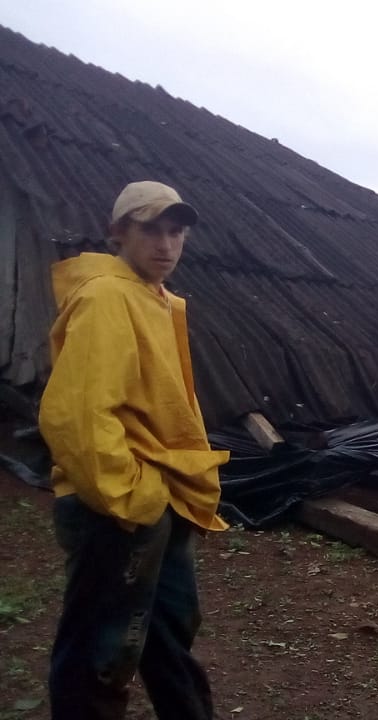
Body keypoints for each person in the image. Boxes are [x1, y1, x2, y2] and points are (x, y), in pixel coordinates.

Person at [39, 181, 229, 720]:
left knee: (170, 631)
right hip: (118, 502)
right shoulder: (105, 295)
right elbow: (79, 412)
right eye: (151, 229)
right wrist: (128, 495)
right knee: (102, 649)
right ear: (118, 232)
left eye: (177, 232)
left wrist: (160, 493)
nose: (166, 245)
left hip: (159, 492)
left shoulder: (157, 299)